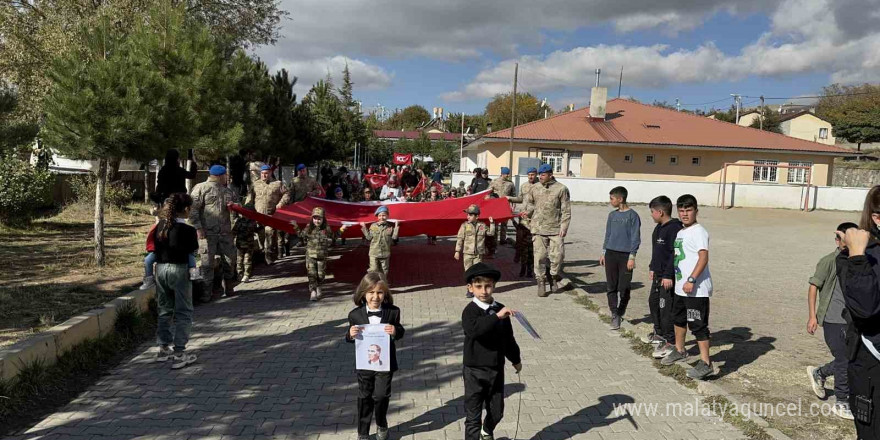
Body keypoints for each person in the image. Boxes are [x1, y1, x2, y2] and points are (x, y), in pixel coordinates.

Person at [835, 185, 880, 438]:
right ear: (876, 217)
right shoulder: (855, 258)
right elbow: (866, 308)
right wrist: (857, 256)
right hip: (871, 360)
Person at [461, 262, 522, 440]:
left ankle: (487, 431)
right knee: (473, 417)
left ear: (494, 286)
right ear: (470, 288)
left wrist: (515, 359)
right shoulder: (470, 311)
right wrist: (496, 317)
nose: (484, 291)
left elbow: (508, 338)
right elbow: (475, 330)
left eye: (488, 286)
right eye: (478, 286)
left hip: (496, 368)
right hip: (474, 370)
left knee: (497, 412)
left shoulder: (499, 309)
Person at [661, 194, 717, 380]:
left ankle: (706, 363)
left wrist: (692, 280)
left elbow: (703, 257)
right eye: (682, 211)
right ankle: (680, 349)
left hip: (696, 290)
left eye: (689, 210)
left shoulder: (699, 231)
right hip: (680, 288)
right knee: (678, 320)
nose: (685, 214)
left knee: (698, 326)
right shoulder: (680, 232)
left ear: (696, 211)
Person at [805, 222, 857, 420]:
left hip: (853, 320)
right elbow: (813, 287)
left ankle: (820, 372)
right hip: (833, 319)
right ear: (837, 239)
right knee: (844, 359)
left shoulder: (859, 260)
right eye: (843, 238)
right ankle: (842, 402)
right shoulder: (829, 261)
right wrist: (812, 316)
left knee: (852, 358)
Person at [346, 272, 405, 440]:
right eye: (371, 292)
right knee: (364, 396)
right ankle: (363, 432)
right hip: (364, 363)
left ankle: (381, 423)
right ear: (363, 293)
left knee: (381, 395)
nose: (375, 297)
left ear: (385, 294)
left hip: (385, 363)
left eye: (379, 292)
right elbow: (350, 338)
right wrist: (350, 334)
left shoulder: (392, 312)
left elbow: (400, 331)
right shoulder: (355, 315)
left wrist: (395, 332)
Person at [153, 193, 199, 369]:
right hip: (179, 270)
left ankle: (163, 348)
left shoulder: (161, 226)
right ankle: (179, 352)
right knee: (183, 311)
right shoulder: (188, 230)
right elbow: (191, 252)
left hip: (161, 269)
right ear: (186, 209)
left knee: (164, 309)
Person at [189, 165, 238, 302]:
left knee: (230, 260)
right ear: (219, 176)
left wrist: (234, 207)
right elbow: (193, 211)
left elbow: (236, 209)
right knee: (207, 264)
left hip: (225, 233)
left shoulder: (228, 191)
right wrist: (198, 229)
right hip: (207, 233)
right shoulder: (201, 188)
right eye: (225, 176)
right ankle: (206, 294)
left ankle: (229, 288)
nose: (226, 178)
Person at [522, 164, 571, 297]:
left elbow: (566, 210)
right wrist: (528, 212)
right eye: (540, 175)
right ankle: (541, 281)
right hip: (538, 228)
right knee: (539, 257)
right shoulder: (535, 188)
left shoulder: (561, 189)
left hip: (555, 228)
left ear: (550, 175)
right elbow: (531, 203)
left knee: (558, 256)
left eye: (543, 175)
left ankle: (554, 277)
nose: (540, 177)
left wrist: (564, 227)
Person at [646, 196, 683, 359]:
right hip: (658, 275)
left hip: (668, 278)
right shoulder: (658, 228)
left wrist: (668, 275)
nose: (651, 215)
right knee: (653, 303)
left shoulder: (674, 229)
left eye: (652, 212)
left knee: (666, 309)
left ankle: (670, 341)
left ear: (660, 212)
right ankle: (659, 334)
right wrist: (652, 267)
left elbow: (674, 255)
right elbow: (657, 252)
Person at [599, 186, 641, 330]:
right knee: (611, 286)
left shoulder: (633, 216)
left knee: (624, 287)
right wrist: (604, 252)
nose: (610, 201)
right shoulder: (612, 215)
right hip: (610, 253)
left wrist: (632, 256)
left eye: (612, 198)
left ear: (620, 199)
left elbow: (636, 238)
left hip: (625, 256)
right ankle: (614, 314)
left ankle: (621, 310)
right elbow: (608, 234)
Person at [291, 207, 348, 301]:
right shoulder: (309, 227)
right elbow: (301, 235)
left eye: (319, 219)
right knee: (311, 274)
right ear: (312, 218)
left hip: (322, 256)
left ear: (323, 219)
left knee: (321, 275)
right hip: (310, 256)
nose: (317, 221)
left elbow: (334, 237)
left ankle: (319, 287)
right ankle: (313, 291)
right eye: (315, 218)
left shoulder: (326, 228)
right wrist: (295, 226)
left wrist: (342, 229)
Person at [252, 164, 290, 265]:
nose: (264, 175)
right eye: (262, 174)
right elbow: (250, 198)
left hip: (271, 215)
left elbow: (287, 194)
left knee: (269, 234)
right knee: (261, 237)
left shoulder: (278, 184)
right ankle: (263, 254)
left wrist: (281, 203)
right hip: (259, 216)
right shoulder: (255, 184)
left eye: (266, 173)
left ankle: (268, 257)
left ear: (270, 173)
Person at [455, 204, 495, 298]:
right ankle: (469, 290)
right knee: (468, 272)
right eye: (467, 214)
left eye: (470, 215)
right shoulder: (464, 225)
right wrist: (457, 251)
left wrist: (492, 223)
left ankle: (476, 289)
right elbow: (460, 238)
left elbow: (491, 233)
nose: (467, 216)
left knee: (477, 272)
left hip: (478, 253)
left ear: (477, 216)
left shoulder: (482, 225)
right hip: (468, 253)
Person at [506, 167, 538, 275]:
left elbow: (540, 203)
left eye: (533, 174)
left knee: (532, 246)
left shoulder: (540, 186)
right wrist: (509, 198)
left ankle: (530, 268)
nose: (530, 176)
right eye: (529, 174)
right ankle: (522, 264)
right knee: (521, 243)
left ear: (536, 174)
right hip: (523, 219)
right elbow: (520, 199)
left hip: (534, 219)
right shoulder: (524, 185)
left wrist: (530, 212)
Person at [360, 206, 400, 275]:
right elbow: (369, 237)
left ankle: (382, 284)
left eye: (384, 215)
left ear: (387, 216)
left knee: (384, 271)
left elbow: (394, 238)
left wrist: (396, 227)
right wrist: (364, 227)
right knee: (373, 270)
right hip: (374, 253)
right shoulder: (373, 226)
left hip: (385, 253)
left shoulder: (390, 227)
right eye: (380, 215)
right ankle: (373, 284)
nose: (381, 217)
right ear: (377, 217)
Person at [485, 167, 515, 258]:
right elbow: (488, 192)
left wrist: (513, 205)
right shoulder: (494, 181)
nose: (508, 175)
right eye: (506, 174)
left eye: (508, 174)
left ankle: (503, 239)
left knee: (504, 224)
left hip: (505, 206)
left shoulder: (511, 184)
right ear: (502, 174)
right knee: (495, 225)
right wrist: (488, 198)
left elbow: (513, 195)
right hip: (496, 207)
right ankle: (494, 245)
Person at [232, 202, 261, 284]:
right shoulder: (239, 221)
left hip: (249, 244)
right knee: (239, 260)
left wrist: (260, 225)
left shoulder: (253, 222)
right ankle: (239, 275)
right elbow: (234, 231)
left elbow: (257, 230)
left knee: (247, 260)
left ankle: (246, 275)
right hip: (240, 244)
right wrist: (231, 239)